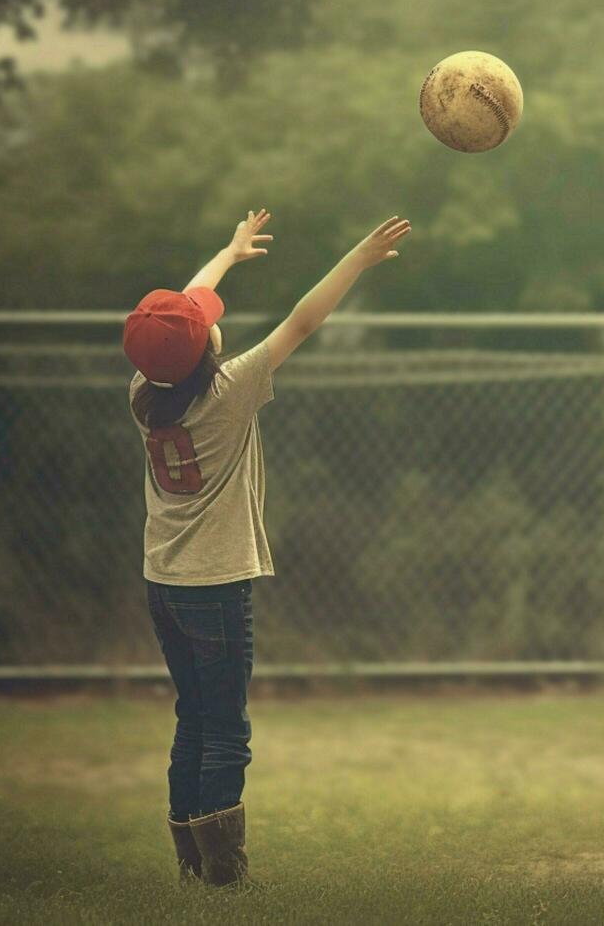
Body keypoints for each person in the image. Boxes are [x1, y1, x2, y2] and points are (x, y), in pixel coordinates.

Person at [122, 209, 411, 886]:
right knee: (226, 728)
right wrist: (356, 260)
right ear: (207, 350)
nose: (208, 314)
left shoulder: (146, 392)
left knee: (193, 717)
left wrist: (227, 254)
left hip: (162, 581)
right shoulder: (231, 390)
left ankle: (191, 857)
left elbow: (183, 319)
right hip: (215, 586)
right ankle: (224, 869)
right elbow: (302, 322)